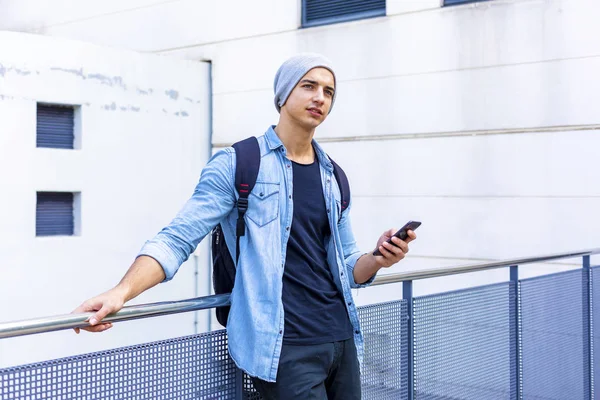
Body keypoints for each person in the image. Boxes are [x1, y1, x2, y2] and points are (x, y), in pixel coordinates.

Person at [72, 53, 417, 400]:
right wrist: (121, 292)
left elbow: (347, 265)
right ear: (282, 95)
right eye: (309, 86)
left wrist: (379, 257)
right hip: (284, 348)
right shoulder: (240, 164)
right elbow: (177, 239)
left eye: (328, 92)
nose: (320, 98)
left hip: (341, 339)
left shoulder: (333, 176)